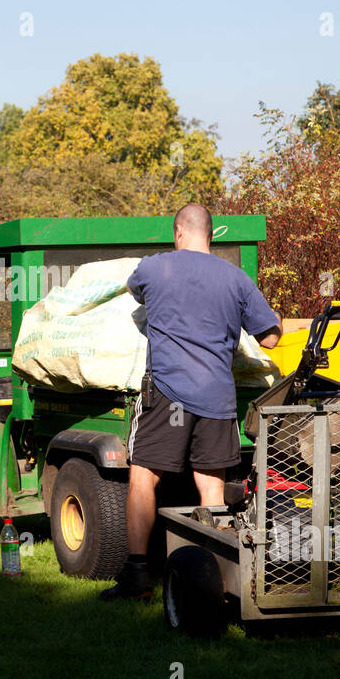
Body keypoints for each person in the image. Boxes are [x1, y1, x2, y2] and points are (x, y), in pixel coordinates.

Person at [101, 203, 280, 600]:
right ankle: (214, 580)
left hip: (168, 393)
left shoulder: (155, 267)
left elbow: (135, 292)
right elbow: (270, 337)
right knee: (211, 488)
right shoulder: (236, 279)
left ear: (178, 231)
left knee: (144, 477)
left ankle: (138, 575)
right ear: (211, 236)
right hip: (218, 398)